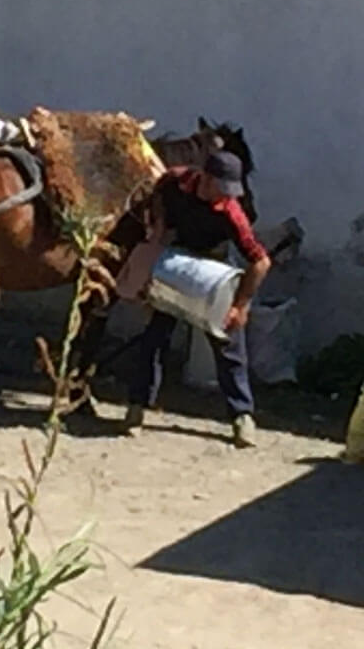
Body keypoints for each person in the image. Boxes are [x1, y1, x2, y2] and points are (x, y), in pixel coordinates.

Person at [114, 150, 270, 447]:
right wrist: (157, 232)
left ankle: (242, 417)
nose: (226, 196)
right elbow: (158, 196)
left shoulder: (231, 213)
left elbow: (260, 262)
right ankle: (137, 409)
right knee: (153, 339)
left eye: (231, 191)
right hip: (174, 268)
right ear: (205, 179)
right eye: (222, 188)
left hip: (213, 273)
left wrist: (240, 305)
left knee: (229, 346)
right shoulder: (175, 182)